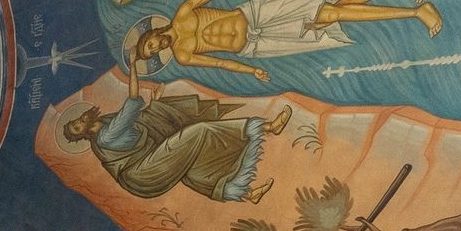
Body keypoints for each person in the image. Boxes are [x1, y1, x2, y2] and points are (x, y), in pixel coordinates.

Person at [127, 0, 444, 85]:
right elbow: (221, 63)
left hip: (255, 14)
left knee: (331, 13)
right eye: (153, 52)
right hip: (257, 46)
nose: (156, 47)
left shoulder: (184, 12)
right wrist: (251, 71)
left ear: (151, 33)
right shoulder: (183, 55)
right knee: (332, 13)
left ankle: (416, 11)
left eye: (150, 43)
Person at [62, 91, 292, 206]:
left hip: (146, 161)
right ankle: (266, 127)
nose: (79, 122)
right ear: (82, 134)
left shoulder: (104, 123)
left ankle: (245, 193)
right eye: (76, 127)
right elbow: (132, 103)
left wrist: (153, 107)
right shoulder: (104, 136)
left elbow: (137, 124)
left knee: (190, 157)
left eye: (75, 121)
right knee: (199, 131)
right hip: (140, 174)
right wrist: (132, 64)